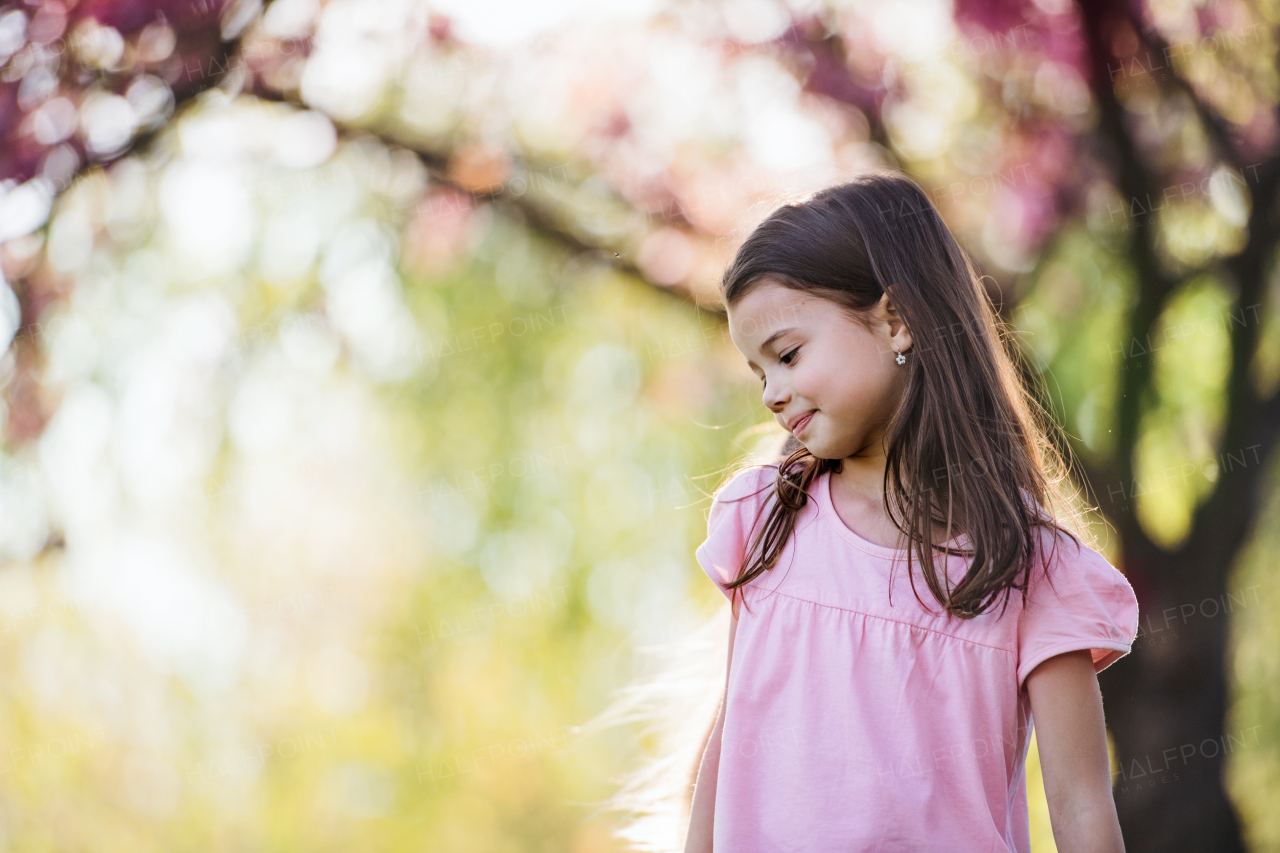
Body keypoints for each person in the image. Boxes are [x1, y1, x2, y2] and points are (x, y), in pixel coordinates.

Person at [683, 171, 1139, 852]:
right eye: (759, 372)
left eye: (786, 355)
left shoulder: (1036, 569)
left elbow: (1079, 807)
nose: (772, 393)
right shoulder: (763, 524)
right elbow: (730, 742)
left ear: (895, 320)